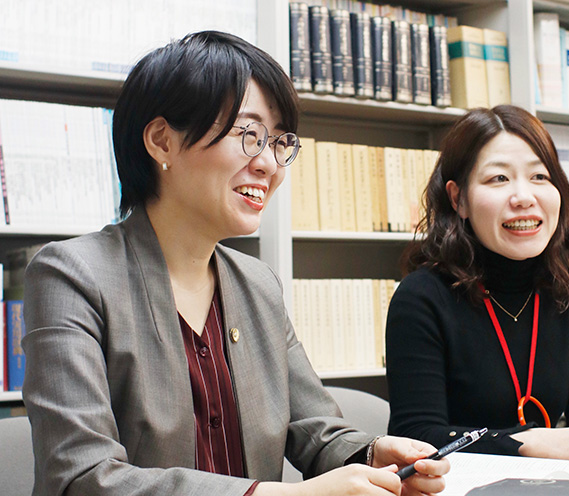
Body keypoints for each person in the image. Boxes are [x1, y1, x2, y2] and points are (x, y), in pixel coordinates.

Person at [22, 31, 448, 496]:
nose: (269, 164)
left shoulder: (257, 283)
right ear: (162, 141)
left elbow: (315, 428)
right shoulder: (71, 275)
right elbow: (82, 477)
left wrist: (372, 455)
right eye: (249, 135)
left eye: (279, 142)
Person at [385, 105, 569, 465]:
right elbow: (417, 437)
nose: (524, 197)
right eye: (498, 179)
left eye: (539, 176)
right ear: (459, 199)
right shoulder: (421, 297)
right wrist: (527, 442)